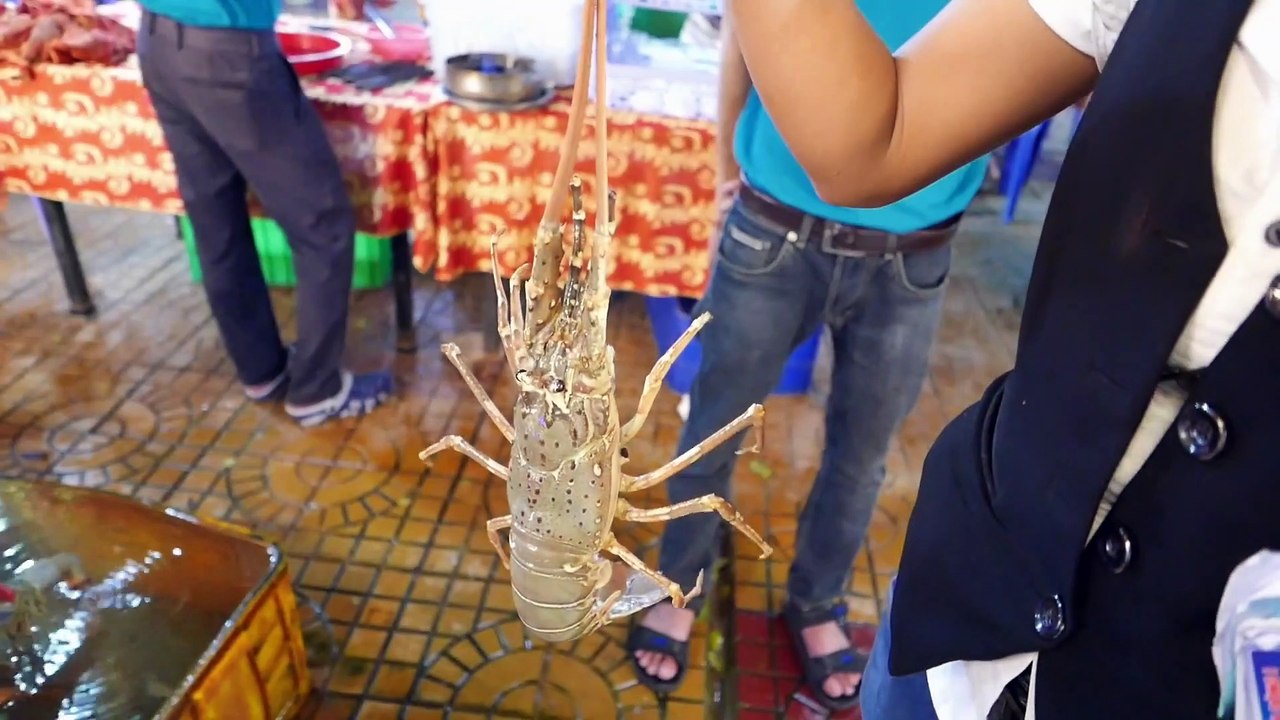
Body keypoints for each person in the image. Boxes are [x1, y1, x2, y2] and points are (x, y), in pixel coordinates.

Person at [726, 0, 1278, 717]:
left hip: (1186, 682)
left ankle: (815, 601)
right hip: (967, 612)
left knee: (860, 455)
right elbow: (873, 134)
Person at [626, 0, 987, 710]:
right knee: (715, 426)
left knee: (862, 454)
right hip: (774, 231)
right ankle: (682, 582)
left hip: (913, 254)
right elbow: (746, 25)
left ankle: (818, 601)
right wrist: (726, 157)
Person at [135, 0, 394, 427]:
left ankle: (261, 371)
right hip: (226, 54)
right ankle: (317, 390)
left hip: (159, 40)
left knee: (215, 220)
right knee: (323, 225)